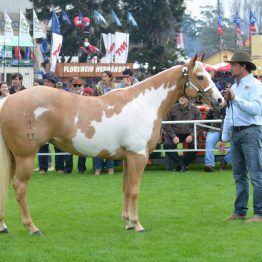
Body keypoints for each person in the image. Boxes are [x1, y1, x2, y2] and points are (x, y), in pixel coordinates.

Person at [220, 50, 262, 222]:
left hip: (251, 131)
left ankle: (259, 213)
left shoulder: (255, 85)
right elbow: (230, 115)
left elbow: (256, 109)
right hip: (237, 133)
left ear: (243, 66)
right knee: (239, 175)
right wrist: (225, 137)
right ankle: (240, 211)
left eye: (233, 64)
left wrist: (235, 99)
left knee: (256, 174)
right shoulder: (235, 86)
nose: (231, 67)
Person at [162, 96, 202, 172]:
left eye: (183, 97)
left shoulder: (195, 109)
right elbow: (166, 124)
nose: (181, 98)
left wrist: (192, 135)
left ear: (188, 99)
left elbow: (200, 125)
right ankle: (182, 164)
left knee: (195, 146)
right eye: (180, 96)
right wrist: (173, 136)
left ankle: (182, 164)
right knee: (167, 145)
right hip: (174, 134)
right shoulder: (171, 108)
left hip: (189, 134)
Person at [38, 73, 64, 174]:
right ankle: (43, 168)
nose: (46, 83)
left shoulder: (60, 93)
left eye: (48, 81)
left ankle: (60, 168)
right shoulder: (41, 94)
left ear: (53, 83)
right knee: (43, 146)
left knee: (59, 145)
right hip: (43, 122)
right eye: (45, 81)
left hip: (57, 122)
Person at [63, 78, 89, 174]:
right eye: (75, 85)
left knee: (82, 147)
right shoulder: (66, 97)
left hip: (83, 125)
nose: (77, 87)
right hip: (69, 125)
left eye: (79, 85)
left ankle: (81, 168)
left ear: (83, 87)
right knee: (67, 146)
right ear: (71, 87)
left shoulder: (88, 97)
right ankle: (68, 168)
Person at [93, 71, 115, 175]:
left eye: (105, 76)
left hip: (112, 118)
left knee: (110, 144)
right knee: (97, 143)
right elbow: (92, 101)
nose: (103, 78)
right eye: (102, 76)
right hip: (99, 118)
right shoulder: (97, 88)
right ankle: (98, 168)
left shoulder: (116, 88)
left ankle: (110, 168)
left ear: (110, 78)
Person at [203, 107, 231, 172]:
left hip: (229, 130)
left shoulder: (232, 105)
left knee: (237, 143)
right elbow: (208, 117)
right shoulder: (214, 107)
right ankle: (209, 164)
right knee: (209, 141)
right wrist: (205, 129)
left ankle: (225, 160)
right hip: (215, 130)